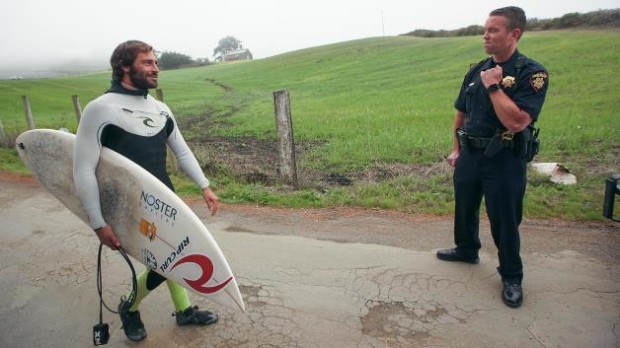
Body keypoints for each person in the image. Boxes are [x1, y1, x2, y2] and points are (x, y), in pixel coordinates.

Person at [74, 40, 220, 341]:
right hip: (129, 207)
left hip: (165, 199)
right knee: (166, 261)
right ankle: (130, 306)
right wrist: (98, 222)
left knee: (173, 256)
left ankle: (183, 310)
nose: (156, 68)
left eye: (156, 62)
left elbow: (182, 153)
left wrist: (204, 186)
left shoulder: (160, 109)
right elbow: (83, 168)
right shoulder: (100, 110)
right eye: (148, 63)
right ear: (124, 67)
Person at [437, 7, 549, 308]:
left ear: (514, 34)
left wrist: (495, 86)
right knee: (465, 207)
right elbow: (461, 111)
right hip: (470, 153)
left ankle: (512, 276)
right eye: (485, 29)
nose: (485, 35)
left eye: (493, 30)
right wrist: (457, 148)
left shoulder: (531, 73)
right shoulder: (477, 69)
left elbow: (517, 121)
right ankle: (466, 249)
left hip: (504, 158)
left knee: (505, 219)